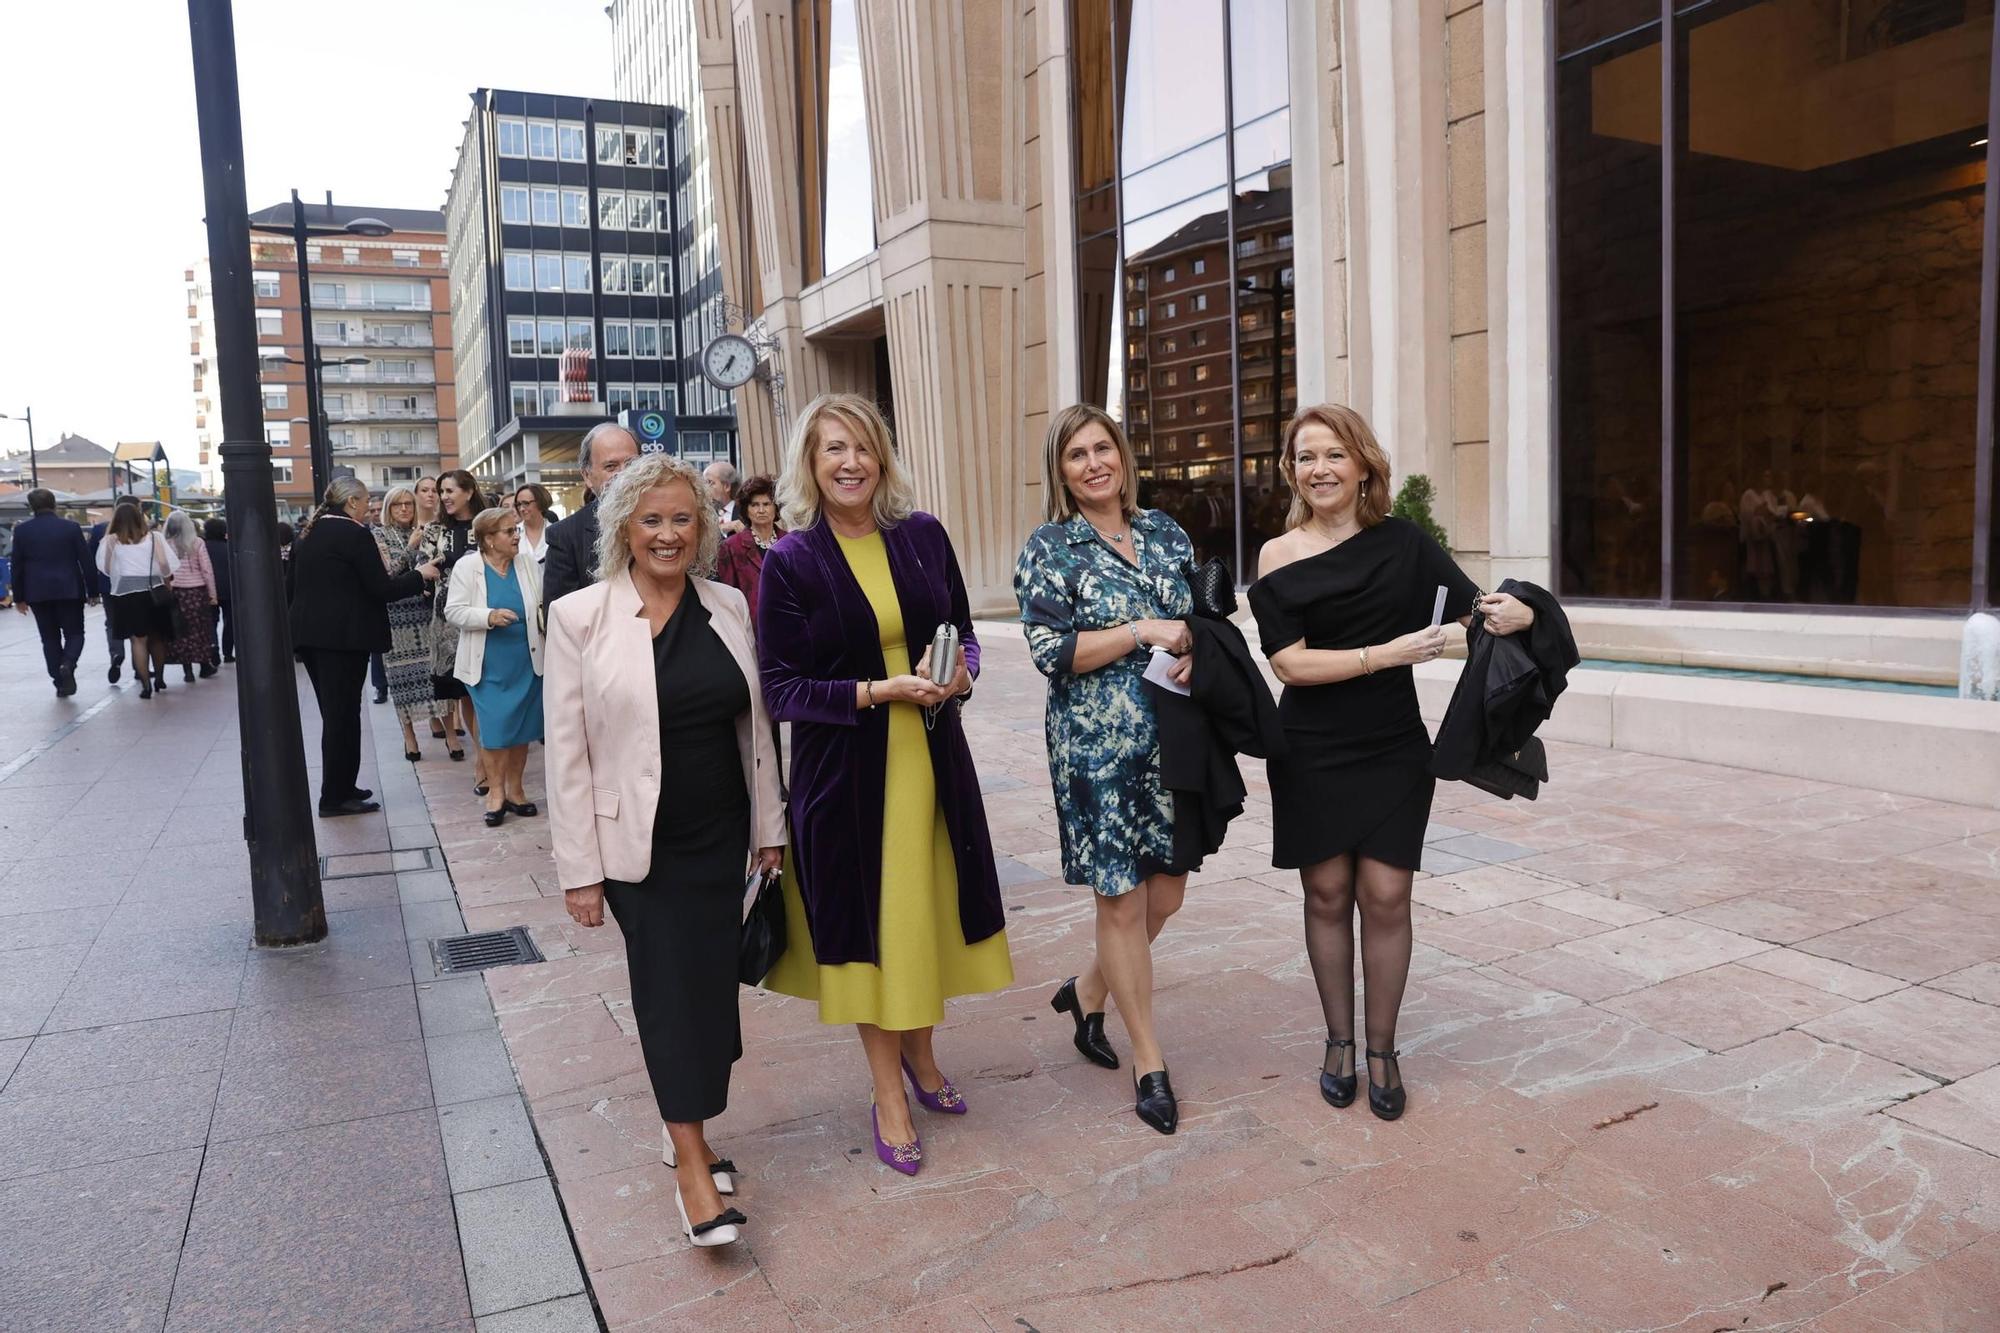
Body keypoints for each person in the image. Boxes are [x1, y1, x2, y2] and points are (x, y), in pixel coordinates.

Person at [1249, 404, 1535, 1121]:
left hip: (1391, 745)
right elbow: (1289, 663)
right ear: (1292, 471)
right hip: (1312, 744)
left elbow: (1476, 612)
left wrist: (1520, 611)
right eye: (1305, 457)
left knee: (1384, 894)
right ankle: (1337, 1042)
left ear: (1363, 464)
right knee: (1324, 893)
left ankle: (1382, 1050)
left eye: (1333, 455)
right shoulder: (1278, 556)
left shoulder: (1404, 543)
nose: (1319, 469)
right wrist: (1389, 653)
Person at [758, 393, 1013, 1177]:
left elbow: (964, 630)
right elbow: (782, 688)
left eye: (863, 447)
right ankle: (888, 1092)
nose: (850, 462)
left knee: (927, 919)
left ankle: (924, 1059)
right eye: (833, 448)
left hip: (936, 762)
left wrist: (962, 672)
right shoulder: (791, 560)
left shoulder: (924, 535)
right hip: (850, 781)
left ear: (883, 458)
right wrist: (876, 692)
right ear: (810, 462)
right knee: (875, 932)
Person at [546, 453, 785, 1248]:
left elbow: (754, 733)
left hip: (721, 839)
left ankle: (696, 1133)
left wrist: (768, 828)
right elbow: (567, 754)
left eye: (683, 518)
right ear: (623, 528)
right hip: (636, 851)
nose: (669, 533)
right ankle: (692, 1171)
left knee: (712, 996)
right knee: (669, 996)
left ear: (704, 527)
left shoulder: (726, 604)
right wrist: (579, 871)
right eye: (651, 519)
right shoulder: (581, 617)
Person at [1015, 405, 1196, 1135]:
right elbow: (1048, 650)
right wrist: (1140, 631)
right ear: (1060, 471)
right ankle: (1148, 1059)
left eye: (1102, 448)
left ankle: (1087, 988)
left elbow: (1200, 618)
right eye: (1075, 455)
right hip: (1095, 749)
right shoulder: (1051, 546)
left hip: (1175, 740)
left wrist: (1196, 645)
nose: (1093, 463)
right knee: (1120, 899)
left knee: (1168, 894)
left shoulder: (1166, 531)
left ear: (1122, 453)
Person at [290, 477, 440, 815]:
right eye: (365, 501)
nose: (368, 507)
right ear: (353, 502)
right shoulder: (354, 534)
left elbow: (291, 588)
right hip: (343, 639)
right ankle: (334, 797)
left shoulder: (308, 534)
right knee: (342, 717)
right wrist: (421, 575)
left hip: (313, 637)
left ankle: (343, 785)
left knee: (337, 715)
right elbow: (381, 588)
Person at [445, 507, 546, 826]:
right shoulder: (468, 566)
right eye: (509, 531)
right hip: (487, 664)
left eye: (516, 530)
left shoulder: (527, 563)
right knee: (494, 731)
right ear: (488, 539)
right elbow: (454, 611)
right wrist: (487, 616)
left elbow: (541, 605)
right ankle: (495, 792)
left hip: (526, 660)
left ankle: (516, 791)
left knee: (522, 730)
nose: (517, 536)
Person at [420, 470, 487, 773]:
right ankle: (483, 759)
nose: (443, 496)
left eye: (449, 490)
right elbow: (424, 576)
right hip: (446, 622)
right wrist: (426, 570)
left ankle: (490, 758)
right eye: (441, 491)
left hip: (485, 614)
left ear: (469, 491)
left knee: (485, 690)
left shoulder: (489, 524)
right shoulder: (434, 531)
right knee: (463, 693)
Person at [377, 487, 446, 762]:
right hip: (396, 617)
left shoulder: (425, 530)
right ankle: (410, 737)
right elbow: (388, 574)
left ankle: (440, 724)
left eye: (408, 504)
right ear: (388, 508)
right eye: (397, 505)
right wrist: (410, 548)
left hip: (424, 612)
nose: (404, 509)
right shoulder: (378, 535)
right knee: (402, 680)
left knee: (432, 674)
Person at [542, 422, 640, 609]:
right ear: (587, 476)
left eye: (631, 464)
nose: (623, 474)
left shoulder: (671, 520)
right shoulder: (565, 537)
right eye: (611, 467)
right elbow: (561, 621)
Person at [11, 489, 94, 696]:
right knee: (75, 633)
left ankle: (58, 680)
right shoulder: (71, 528)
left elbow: (18, 565)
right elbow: (86, 561)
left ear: (31, 507)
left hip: (37, 591)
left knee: (49, 638)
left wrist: (19, 597)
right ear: (54, 503)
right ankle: (68, 663)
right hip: (69, 589)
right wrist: (93, 590)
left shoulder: (22, 531)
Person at [95, 501, 177, 700]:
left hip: (126, 594)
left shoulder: (111, 540)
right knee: (157, 638)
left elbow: (105, 568)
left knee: (138, 640)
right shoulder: (154, 537)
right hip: (153, 591)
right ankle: (159, 677)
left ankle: (145, 686)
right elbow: (166, 566)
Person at [712, 473, 781, 626]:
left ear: (776, 507)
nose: (761, 510)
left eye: (767, 504)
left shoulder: (790, 543)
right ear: (746, 509)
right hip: (750, 627)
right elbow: (726, 596)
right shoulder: (731, 547)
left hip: (790, 627)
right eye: (754, 505)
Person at [161, 512, 220, 682]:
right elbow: (207, 570)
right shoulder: (197, 543)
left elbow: (163, 569)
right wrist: (212, 594)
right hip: (197, 592)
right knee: (200, 630)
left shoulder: (165, 545)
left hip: (175, 592)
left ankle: (187, 671)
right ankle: (204, 665)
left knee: (180, 630)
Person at [86, 517, 126, 683]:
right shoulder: (139, 529)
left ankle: (116, 653)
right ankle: (141, 667)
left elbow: (90, 559)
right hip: (134, 583)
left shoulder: (99, 530)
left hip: (108, 584)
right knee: (138, 624)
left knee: (112, 622)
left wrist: (92, 590)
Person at [203, 518, 234, 665]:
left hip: (208, 590)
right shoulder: (229, 547)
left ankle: (213, 646)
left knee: (211, 621)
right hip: (228, 589)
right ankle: (228, 653)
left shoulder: (203, 547)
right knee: (230, 621)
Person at [513, 483, 557, 568]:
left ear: (541, 502)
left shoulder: (557, 533)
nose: (521, 509)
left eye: (526, 503)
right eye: (518, 504)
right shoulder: (513, 532)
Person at [703, 460, 743, 537]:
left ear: (727, 486)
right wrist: (721, 528)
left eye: (710, 482)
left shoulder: (745, 511)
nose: (705, 488)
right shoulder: (703, 513)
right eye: (704, 483)